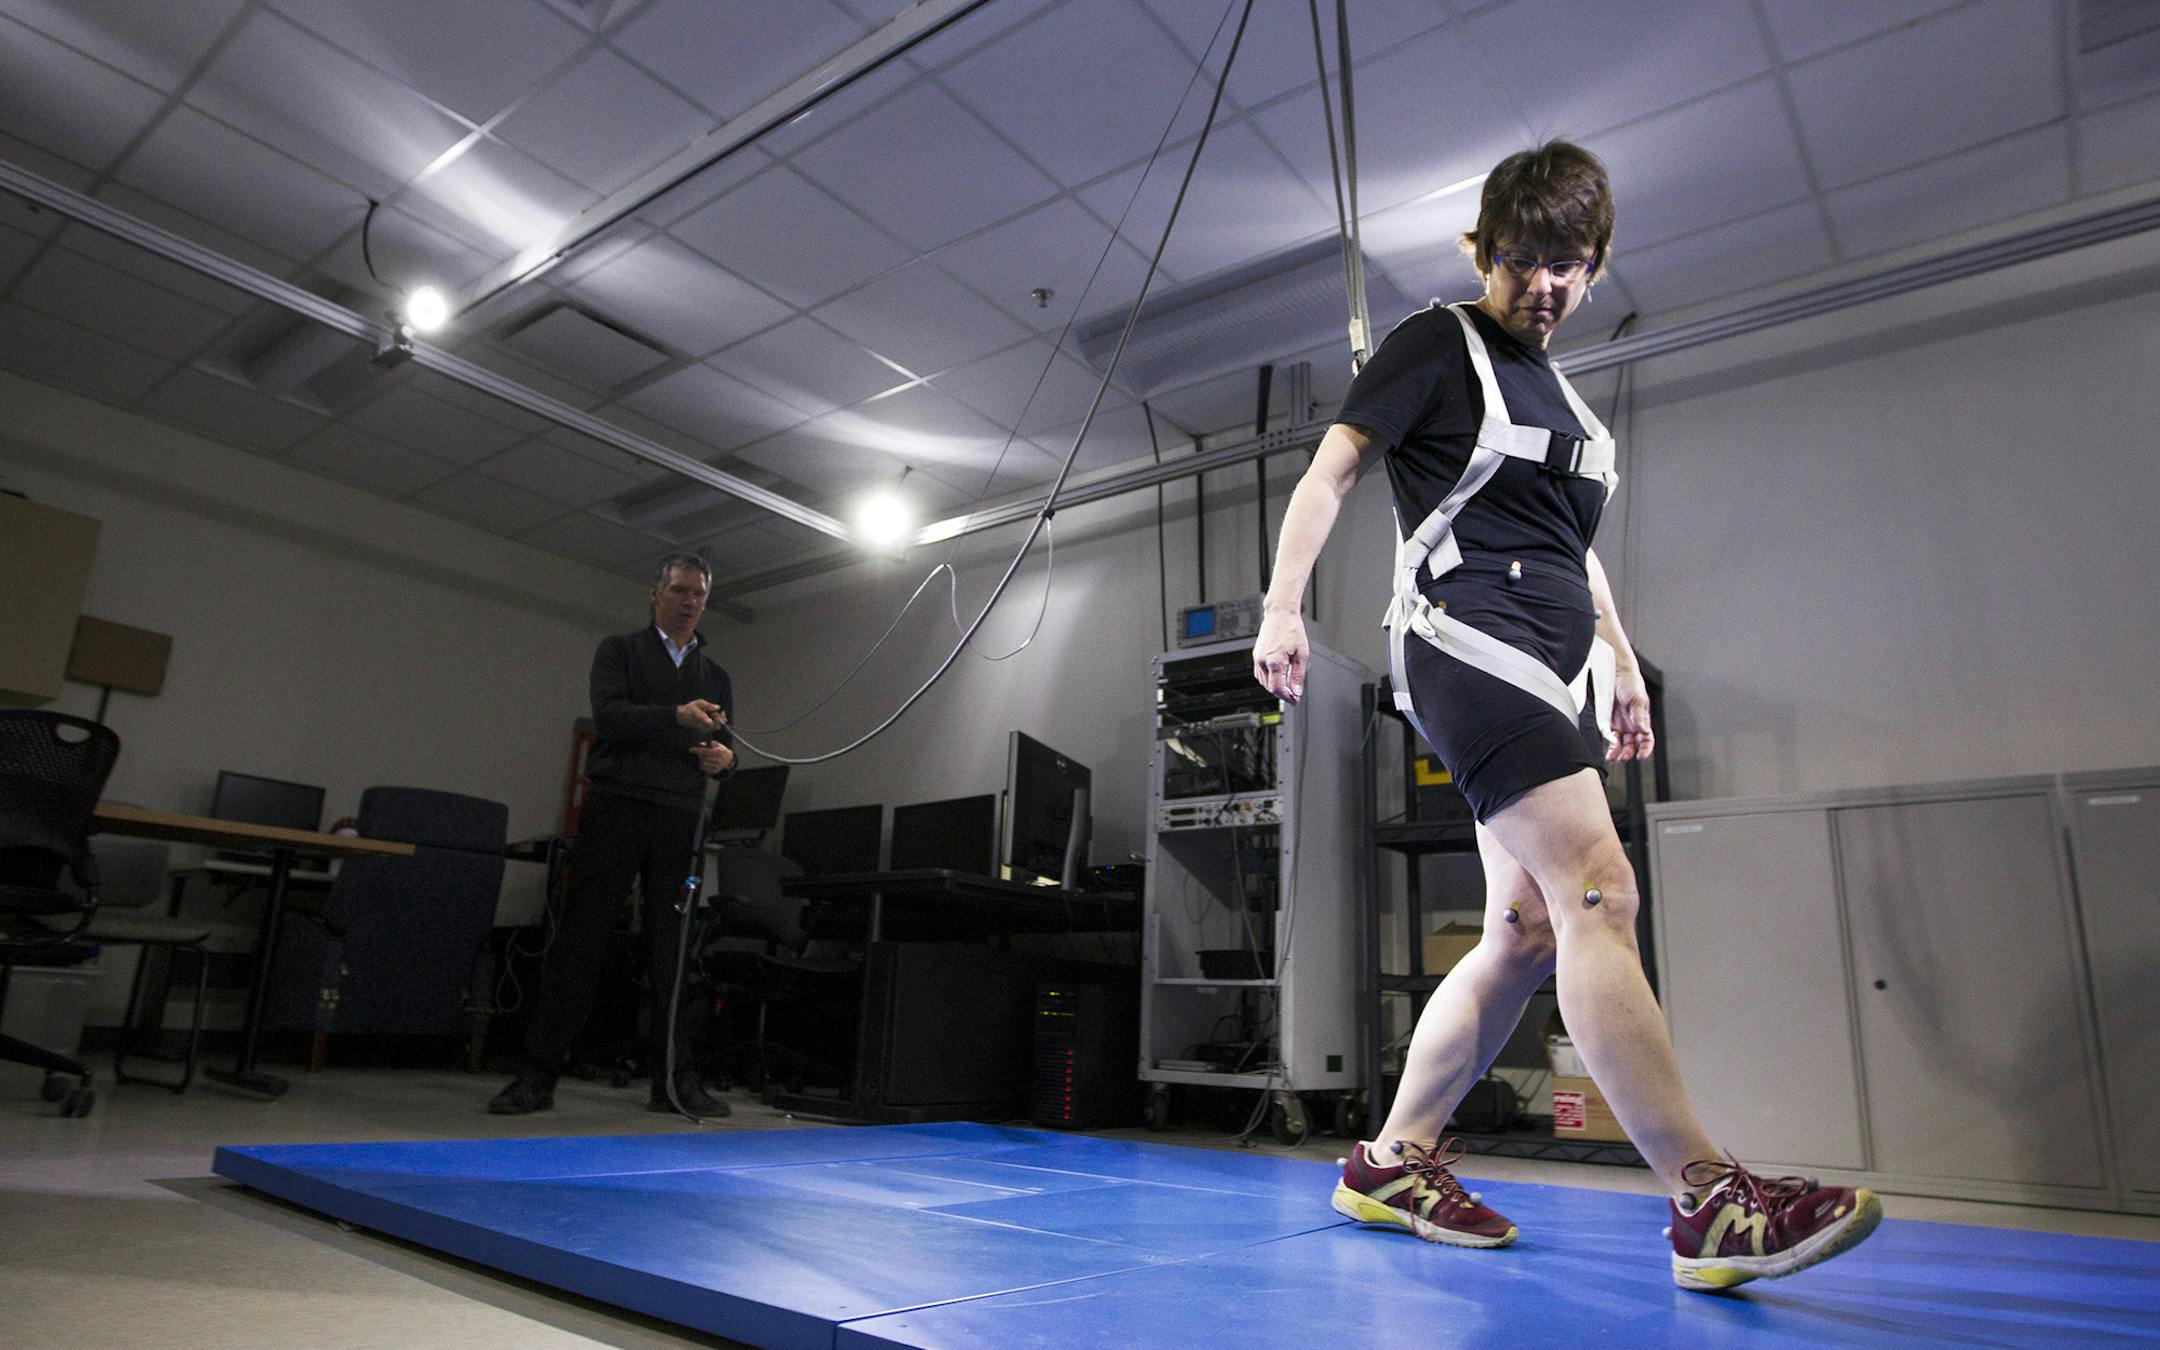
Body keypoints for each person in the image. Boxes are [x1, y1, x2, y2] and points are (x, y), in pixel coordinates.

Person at [1251, 141, 1879, 1290]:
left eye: (1569, 265)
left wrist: (1623, 663)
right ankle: (1708, 1201)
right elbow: (1332, 471)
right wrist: (1283, 607)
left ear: (1595, 265)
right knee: (1601, 889)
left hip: (1556, 663)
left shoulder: (1565, 398)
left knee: (1528, 929)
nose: (1543, 285)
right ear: (1483, 252)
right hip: (1463, 635)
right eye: (1522, 260)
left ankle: (1392, 1159)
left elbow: (1572, 551)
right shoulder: (1437, 345)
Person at [491, 552, 738, 1118]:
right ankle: (537, 1076)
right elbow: (610, 717)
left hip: (679, 816)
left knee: (672, 951)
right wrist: (675, 715)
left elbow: (724, 748)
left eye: (698, 593)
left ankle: (671, 1083)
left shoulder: (717, 676)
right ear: (655, 592)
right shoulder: (620, 651)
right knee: (581, 941)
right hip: (617, 807)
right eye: (679, 590)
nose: (689, 602)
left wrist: (726, 762)